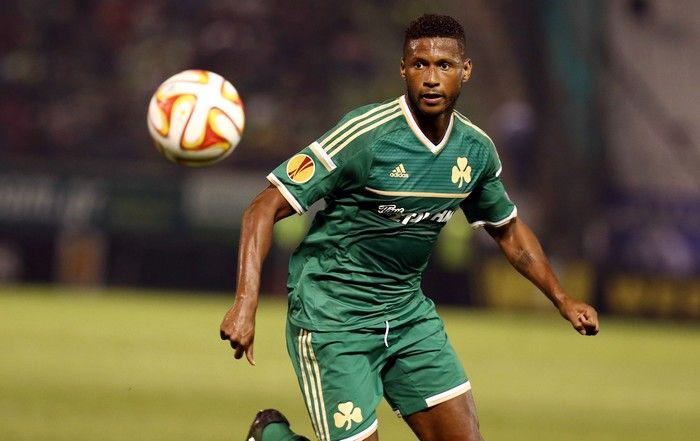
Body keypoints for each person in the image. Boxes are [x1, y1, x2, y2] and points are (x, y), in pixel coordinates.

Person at [220, 13, 599, 441]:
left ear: (465, 70)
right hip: (333, 318)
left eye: (444, 65)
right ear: (403, 69)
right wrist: (245, 304)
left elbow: (508, 231)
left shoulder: (475, 150)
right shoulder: (365, 136)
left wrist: (562, 298)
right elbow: (262, 207)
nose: (432, 78)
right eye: (420, 64)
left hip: (406, 316)